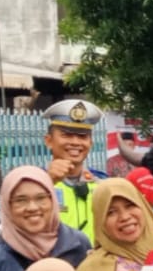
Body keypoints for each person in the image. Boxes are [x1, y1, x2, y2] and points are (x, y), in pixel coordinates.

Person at [43, 99, 107, 242]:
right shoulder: (35, 183)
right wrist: (47, 181)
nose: (75, 142)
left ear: (90, 143)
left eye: (82, 136)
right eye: (66, 135)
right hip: (53, 263)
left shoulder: (101, 184)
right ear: (48, 141)